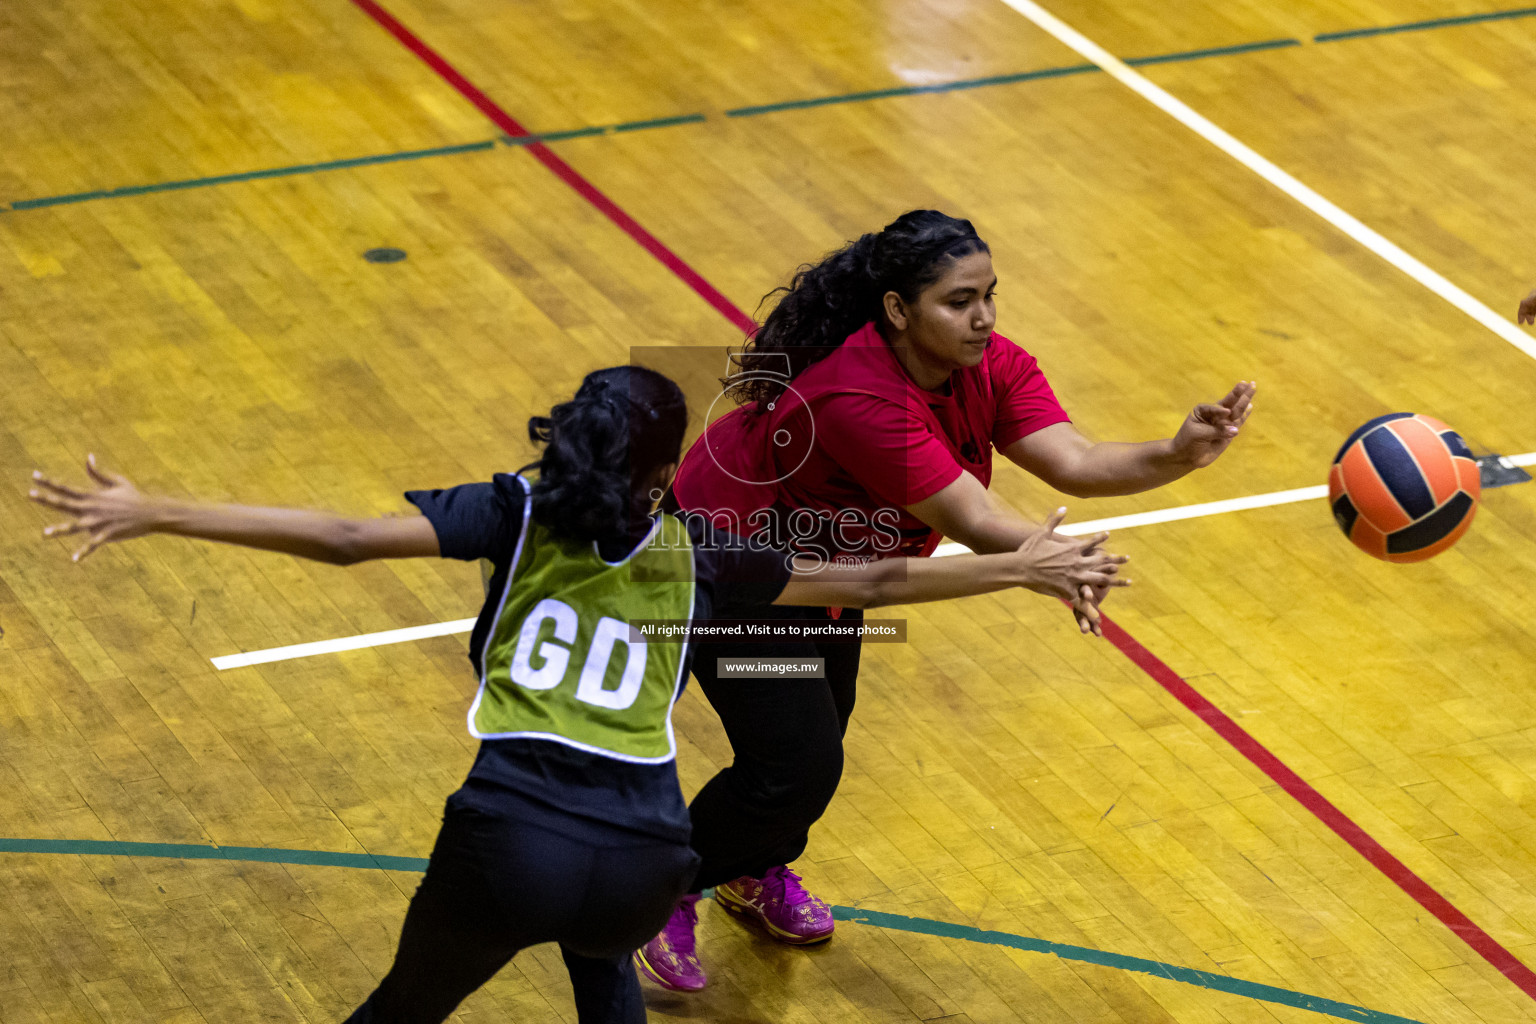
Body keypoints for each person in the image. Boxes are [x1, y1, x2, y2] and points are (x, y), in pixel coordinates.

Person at [28, 364, 1126, 1024]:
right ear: (661, 472)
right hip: (648, 853)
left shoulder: (510, 511)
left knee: (402, 1012)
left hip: (512, 834)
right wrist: (1025, 565)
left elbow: (349, 539)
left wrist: (158, 508)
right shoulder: (705, 546)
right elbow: (881, 579)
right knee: (601, 962)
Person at [637, 211, 1254, 991]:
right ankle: (657, 891)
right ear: (899, 310)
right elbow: (973, 520)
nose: (985, 317)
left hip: (830, 563)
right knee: (796, 763)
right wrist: (1051, 561)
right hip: (732, 571)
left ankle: (748, 870)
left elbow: (1075, 457)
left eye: (990, 294)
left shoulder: (987, 364)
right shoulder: (858, 399)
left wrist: (1175, 453)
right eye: (960, 301)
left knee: (819, 737)